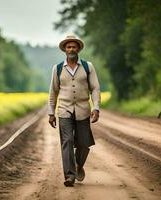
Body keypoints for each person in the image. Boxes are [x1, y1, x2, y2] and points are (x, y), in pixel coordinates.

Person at [48, 35, 101, 187]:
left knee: (84, 143)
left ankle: (78, 164)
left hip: (83, 110)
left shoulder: (87, 66)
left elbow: (95, 88)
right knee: (67, 141)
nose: (71, 49)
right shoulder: (57, 68)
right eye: (68, 47)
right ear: (65, 49)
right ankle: (69, 175)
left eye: (74, 46)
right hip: (64, 110)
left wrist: (96, 108)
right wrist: (51, 113)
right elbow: (53, 92)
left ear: (78, 49)